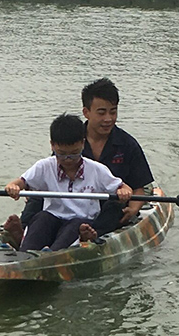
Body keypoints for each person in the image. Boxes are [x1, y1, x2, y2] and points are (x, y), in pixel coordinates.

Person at [17, 77, 154, 241]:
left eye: (113, 111)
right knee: (39, 196)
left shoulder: (128, 145)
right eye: (101, 113)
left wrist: (133, 209)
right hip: (70, 203)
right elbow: (55, 172)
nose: (108, 119)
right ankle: (21, 230)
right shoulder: (70, 137)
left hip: (105, 204)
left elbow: (140, 186)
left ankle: (90, 235)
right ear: (86, 112)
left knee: (113, 206)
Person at [4, 113, 132, 251]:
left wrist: (123, 191)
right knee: (41, 218)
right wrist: (13, 187)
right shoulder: (44, 166)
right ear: (52, 145)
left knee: (74, 227)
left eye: (74, 153)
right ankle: (24, 249)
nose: (68, 159)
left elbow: (123, 187)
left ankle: (57, 252)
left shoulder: (97, 169)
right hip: (52, 217)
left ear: (83, 144)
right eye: (62, 154)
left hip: (81, 220)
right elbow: (20, 182)